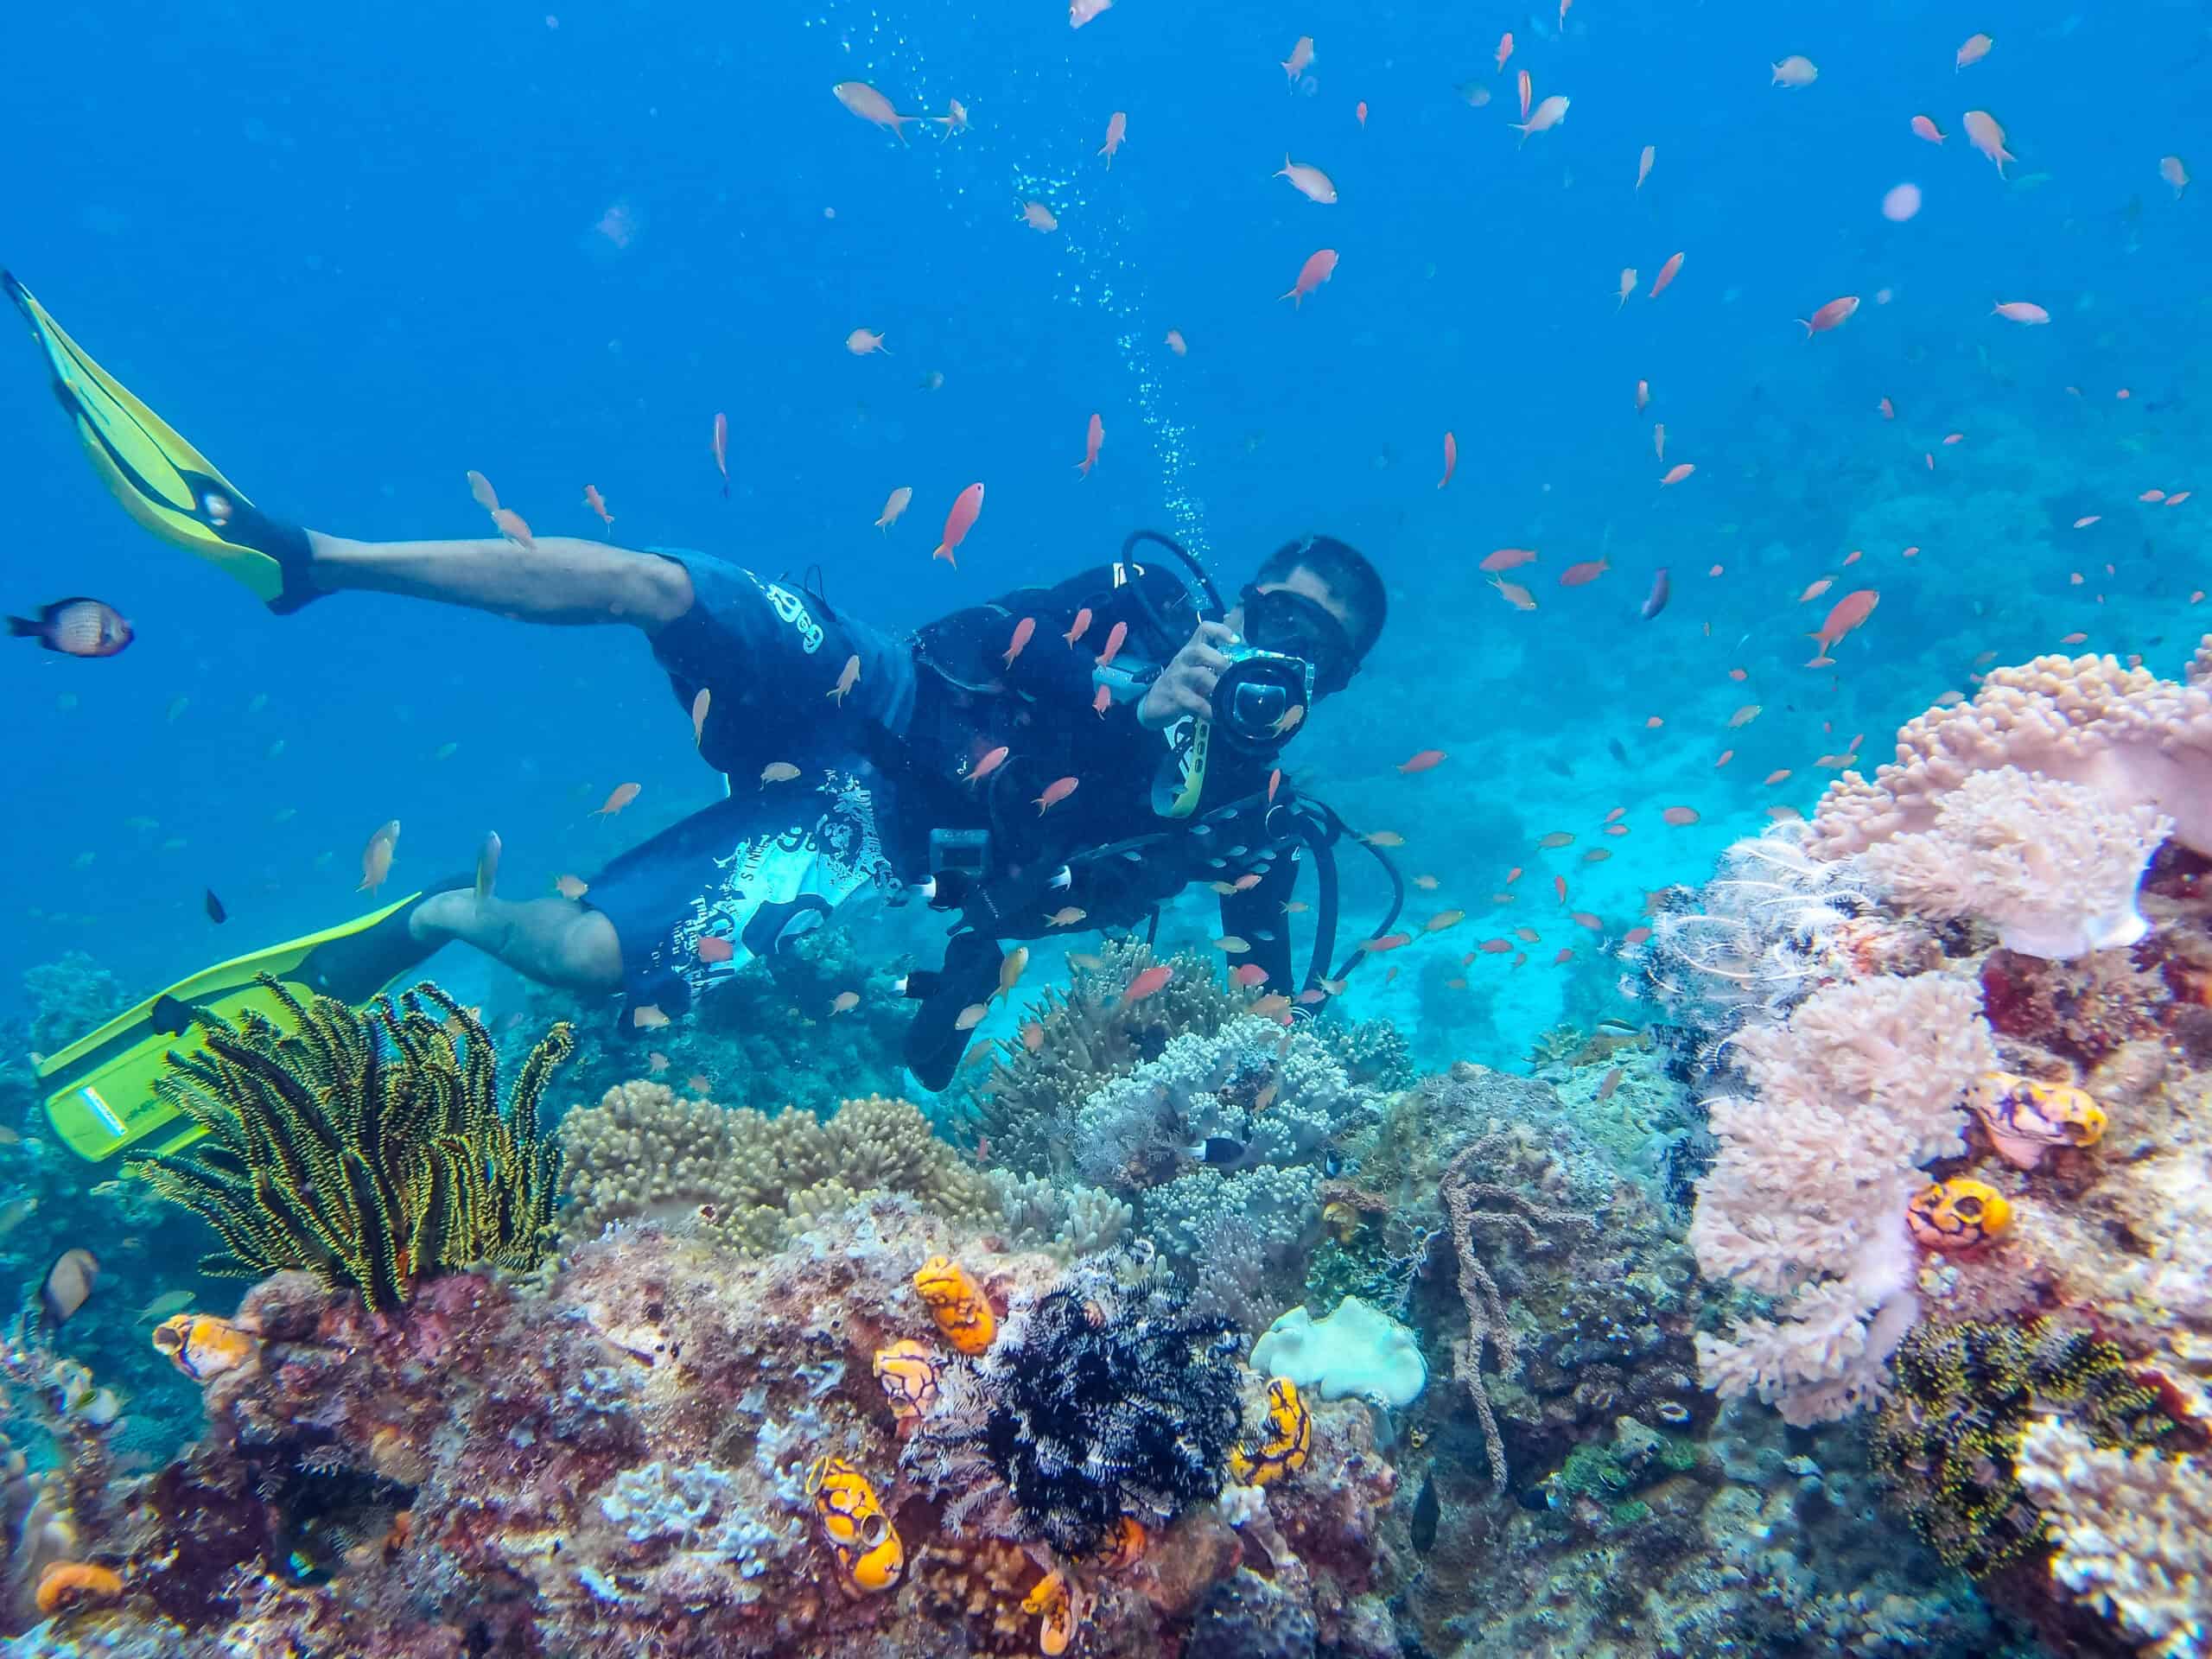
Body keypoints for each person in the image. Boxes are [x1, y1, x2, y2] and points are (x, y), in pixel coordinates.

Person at [8, 271, 1395, 1162]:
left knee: (598, 958)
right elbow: (980, 635)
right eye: (1272, 609)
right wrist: (1125, 696)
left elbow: (1243, 1000)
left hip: (871, 828)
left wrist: (1286, 1119)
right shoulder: (1146, 603)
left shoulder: (1260, 834)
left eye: (1311, 643)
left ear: (1335, 682)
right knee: (661, 580)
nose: (1276, 646)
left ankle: (430, 916)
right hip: (879, 691)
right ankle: (308, 558)